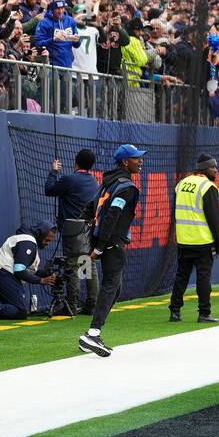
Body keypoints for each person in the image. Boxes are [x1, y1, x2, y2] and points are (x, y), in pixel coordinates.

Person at [79, 144, 147, 356]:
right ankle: (92, 334)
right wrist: (99, 248)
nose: (140, 161)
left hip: (105, 241)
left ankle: (93, 334)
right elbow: (112, 216)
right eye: (136, 158)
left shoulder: (108, 182)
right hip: (111, 243)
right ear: (125, 162)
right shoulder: (126, 187)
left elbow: (91, 207)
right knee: (111, 285)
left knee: (115, 287)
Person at [170, 153, 219, 323]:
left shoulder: (181, 184)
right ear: (204, 169)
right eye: (212, 167)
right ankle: (204, 313)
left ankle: (175, 311)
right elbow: (214, 219)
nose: (215, 170)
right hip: (202, 241)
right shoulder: (207, 187)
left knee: (181, 276)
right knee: (203, 278)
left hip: (184, 239)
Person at [45, 149, 101, 315]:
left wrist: (54, 171)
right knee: (88, 264)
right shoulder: (94, 181)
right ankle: (91, 305)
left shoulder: (69, 179)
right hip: (89, 229)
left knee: (73, 266)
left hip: (72, 230)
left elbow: (49, 190)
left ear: (76, 162)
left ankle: (71, 306)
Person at [0, 223, 57, 322]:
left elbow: (30, 269)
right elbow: (19, 271)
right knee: (20, 311)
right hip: (0, 271)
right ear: (41, 234)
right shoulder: (28, 243)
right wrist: (41, 280)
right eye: (47, 240)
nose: (47, 243)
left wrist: (46, 273)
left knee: (19, 311)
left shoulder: (28, 241)